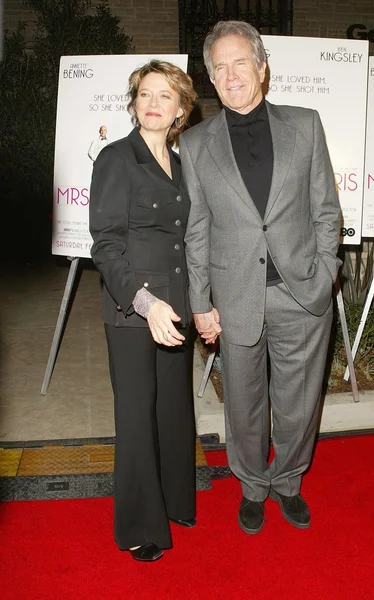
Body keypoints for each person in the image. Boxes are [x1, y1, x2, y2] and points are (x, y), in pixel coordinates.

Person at [180, 21, 342, 534]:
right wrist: (200, 301)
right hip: (234, 298)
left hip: (301, 292)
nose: (230, 76)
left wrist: (325, 273)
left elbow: (327, 211)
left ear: (262, 67)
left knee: (298, 402)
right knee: (245, 405)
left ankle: (289, 481)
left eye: (239, 63)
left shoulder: (306, 124)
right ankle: (252, 486)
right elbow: (197, 231)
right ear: (211, 77)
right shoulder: (196, 143)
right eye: (219, 68)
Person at [89, 60, 197, 562]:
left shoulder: (181, 161)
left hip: (177, 306)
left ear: (180, 109)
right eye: (145, 94)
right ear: (134, 103)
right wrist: (145, 302)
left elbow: (187, 242)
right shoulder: (116, 158)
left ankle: (175, 501)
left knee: (172, 411)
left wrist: (200, 305)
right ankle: (138, 526)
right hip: (133, 309)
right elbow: (106, 244)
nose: (153, 103)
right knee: (136, 417)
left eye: (164, 96)